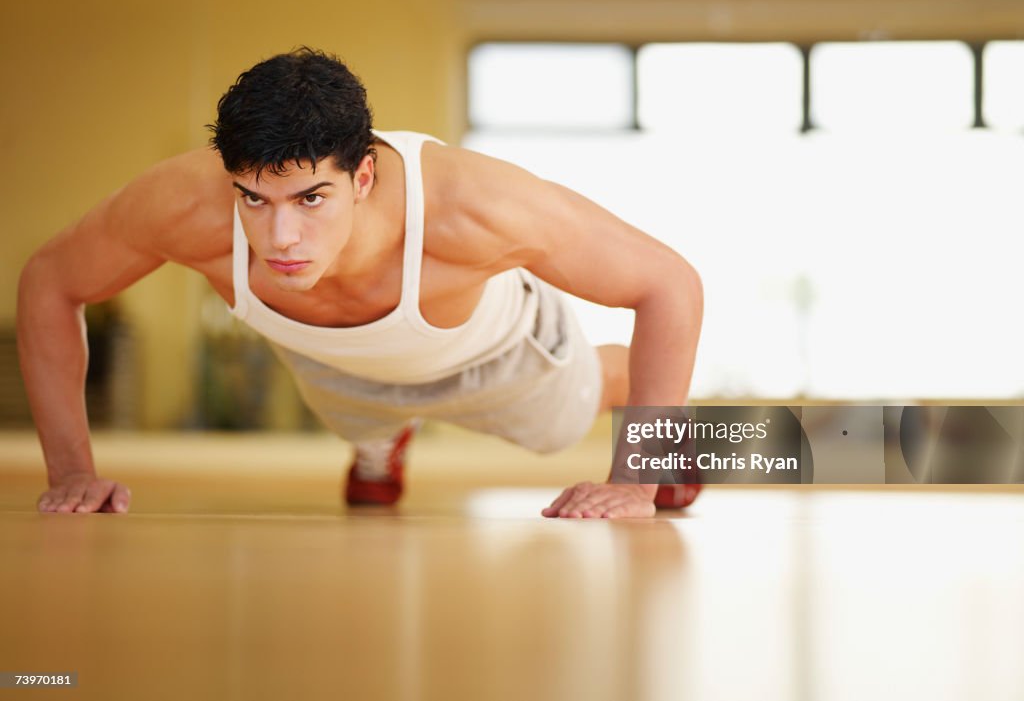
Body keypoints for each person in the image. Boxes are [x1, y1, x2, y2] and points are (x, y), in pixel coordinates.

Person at [18, 47, 703, 519]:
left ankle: (672, 428)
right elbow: (50, 280)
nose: (280, 238)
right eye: (254, 199)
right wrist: (73, 470)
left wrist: (637, 478)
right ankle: (383, 437)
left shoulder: (471, 207)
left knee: (563, 421)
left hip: (497, 358)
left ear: (364, 177)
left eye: (311, 199)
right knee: (358, 417)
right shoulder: (184, 207)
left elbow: (669, 283)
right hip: (337, 373)